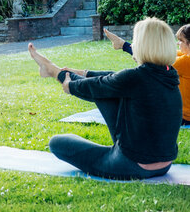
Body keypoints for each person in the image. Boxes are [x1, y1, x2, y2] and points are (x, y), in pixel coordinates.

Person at [29, 17, 182, 180]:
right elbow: (114, 80)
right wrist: (84, 73)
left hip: (131, 164)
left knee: (57, 143)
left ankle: (52, 70)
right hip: (164, 165)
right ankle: (53, 70)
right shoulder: (169, 75)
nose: (133, 45)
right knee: (106, 87)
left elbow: (105, 84)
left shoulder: (135, 78)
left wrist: (70, 86)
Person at [104, 21, 190, 125]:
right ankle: (121, 44)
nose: (178, 44)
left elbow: (153, 62)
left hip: (184, 116)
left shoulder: (188, 62)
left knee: (148, 78)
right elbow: (161, 54)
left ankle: (120, 45)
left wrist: (125, 46)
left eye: (181, 41)